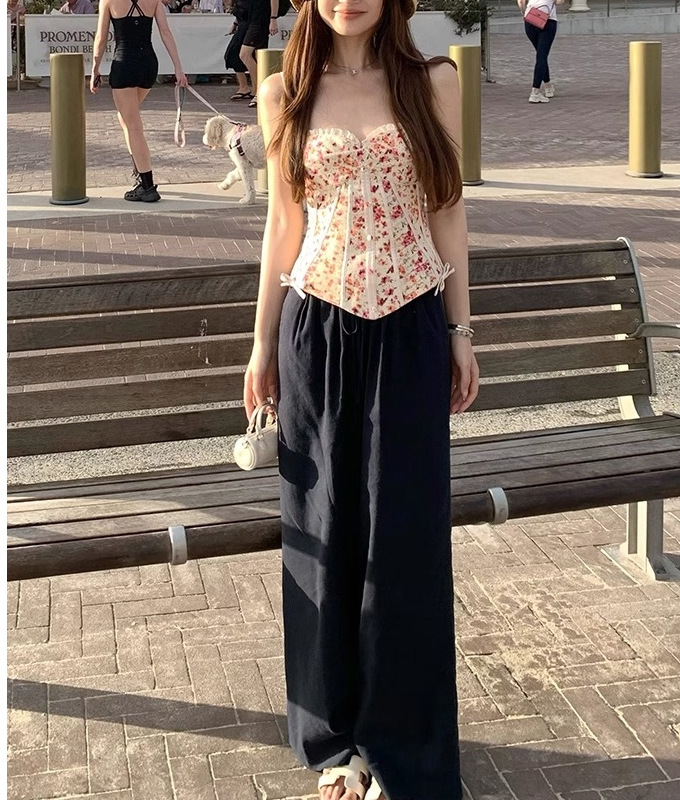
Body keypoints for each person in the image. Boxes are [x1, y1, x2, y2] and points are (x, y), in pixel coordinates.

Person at [243, 1, 479, 799]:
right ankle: (335, 741)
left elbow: (448, 208)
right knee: (325, 529)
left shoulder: (433, 81)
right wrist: (261, 342)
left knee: (407, 540)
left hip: (411, 326)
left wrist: (461, 331)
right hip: (316, 328)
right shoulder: (283, 93)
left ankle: (403, 748)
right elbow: (284, 222)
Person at [90, 0, 188, 201]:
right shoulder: (154, 1)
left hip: (124, 63)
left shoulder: (108, 1)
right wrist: (178, 68)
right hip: (148, 65)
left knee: (133, 126)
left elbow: (101, 37)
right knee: (126, 119)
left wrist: (95, 69)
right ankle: (139, 171)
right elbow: (166, 33)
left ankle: (147, 185)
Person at [239, 0, 277, 108]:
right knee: (258, 56)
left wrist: (273, 19)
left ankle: (261, 90)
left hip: (260, 19)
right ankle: (259, 91)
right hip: (253, 18)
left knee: (244, 54)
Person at [519, 0, 558, 103]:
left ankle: (548, 86)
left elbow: (521, 2)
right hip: (547, 20)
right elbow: (560, 1)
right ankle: (535, 92)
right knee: (542, 56)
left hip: (530, 18)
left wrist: (524, 13)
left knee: (541, 55)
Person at [224, 0, 252, 100]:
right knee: (233, 54)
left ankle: (252, 87)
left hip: (251, 25)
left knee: (244, 55)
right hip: (242, 24)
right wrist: (235, 23)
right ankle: (244, 87)